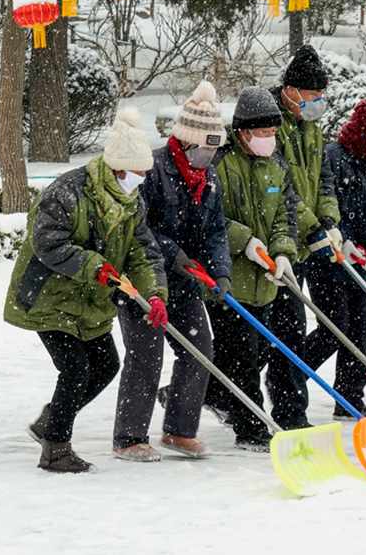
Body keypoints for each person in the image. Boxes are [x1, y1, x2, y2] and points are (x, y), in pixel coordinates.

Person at [4, 108, 168, 473]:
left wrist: (154, 294)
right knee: (75, 369)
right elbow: (47, 244)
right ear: (118, 169)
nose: (142, 181)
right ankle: (56, 448)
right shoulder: (67, 192)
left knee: (106, 365)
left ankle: (51, 422)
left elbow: (144, 252)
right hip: (49, 297)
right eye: (138, 174)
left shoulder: (131, 203)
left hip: (89, 303)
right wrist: (93, 265)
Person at [112, 82, 231, 462]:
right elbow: (139, 227)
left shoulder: (208, 180)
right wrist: (173, 252)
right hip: (144, 279)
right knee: (146, 354)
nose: (208, 156)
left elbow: (216, 230)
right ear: (185, 141)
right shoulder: (153, 169)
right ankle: (129, 436)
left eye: (214, 149)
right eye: (203, 148)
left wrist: (220, 271)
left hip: (185, 282)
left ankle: (180, 430)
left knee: (200, 350)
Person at [202, 86, 300, 451]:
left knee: (255, 353)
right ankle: (253, 427)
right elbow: (209, 219)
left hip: (266, 280)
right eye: (262, 133)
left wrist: (282, 251)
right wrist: (244, 241)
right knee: (242, 356)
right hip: (229, 277)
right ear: (243, 132)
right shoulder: (219, 164)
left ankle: (205, 391)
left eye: (273, 133)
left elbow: (286, 217)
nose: (269, 140)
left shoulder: (277, 166)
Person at [303, 96, 366, 419]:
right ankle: (289, 377)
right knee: (335, 329)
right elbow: (326, 200)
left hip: (361, 264)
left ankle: (349, 398)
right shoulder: (333, 157)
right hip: (329, 261)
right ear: (361, 129)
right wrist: (341, 237)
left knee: (359, 333)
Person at [266, 45, 342, 421]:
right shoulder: (268, 124)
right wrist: (311, 226)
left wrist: (328, 221)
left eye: (320, 98)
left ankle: (288, 396)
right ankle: (289, 408)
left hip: (313, 242)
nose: (316, 104)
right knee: (287, 329)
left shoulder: (312, 127)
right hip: (283, 242)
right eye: (311, 97)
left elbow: (323, 179)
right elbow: (282, 188)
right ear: (290, 91)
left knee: (332, 324)